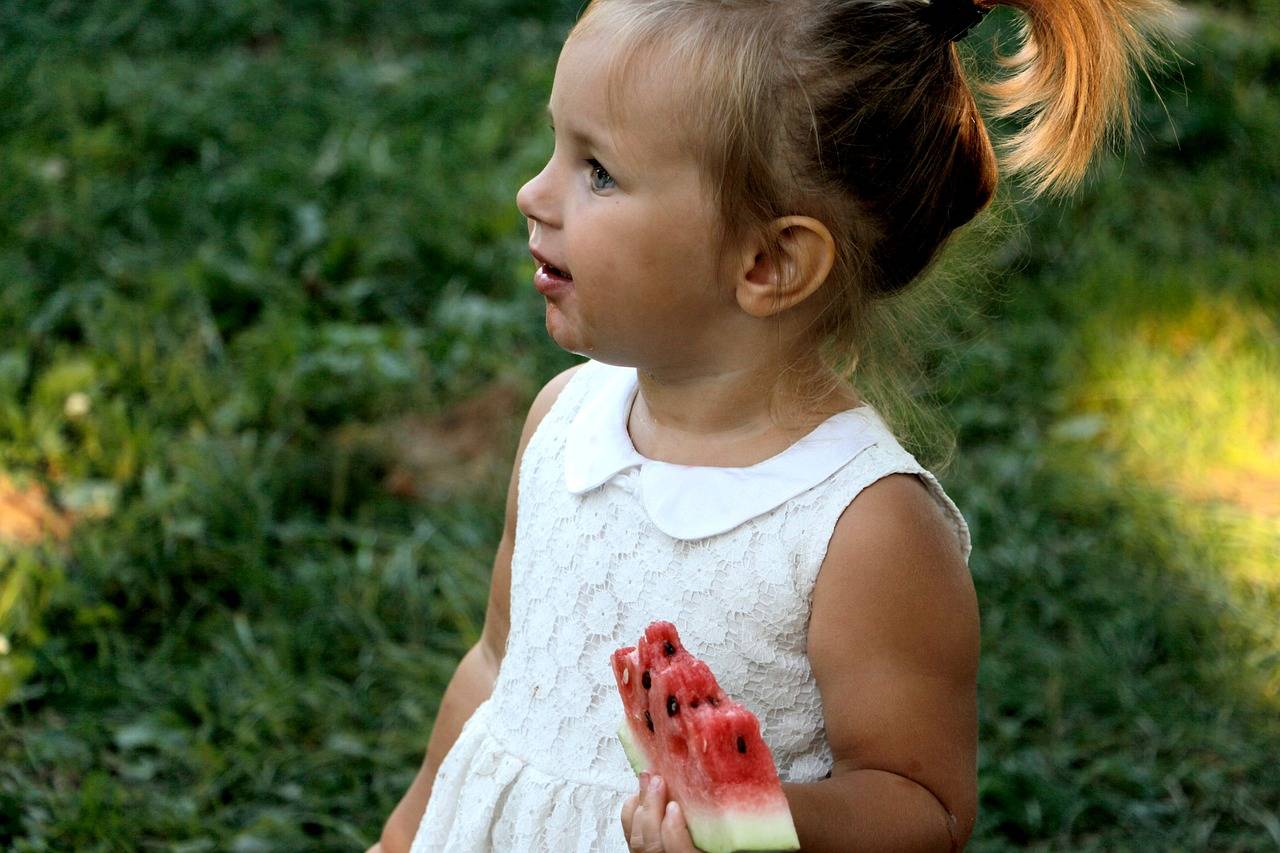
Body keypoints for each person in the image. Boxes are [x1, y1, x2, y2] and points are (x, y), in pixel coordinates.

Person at [372, 0, 1170, 849]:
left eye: (597, 172)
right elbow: (497, 668)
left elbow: (923, 803)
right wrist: (403, 835)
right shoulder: (560, 425)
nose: (533, 193)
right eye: (557, 148)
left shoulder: (865, 528)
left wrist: (749, 821)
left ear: (769, 262)